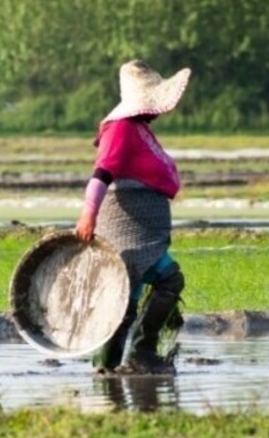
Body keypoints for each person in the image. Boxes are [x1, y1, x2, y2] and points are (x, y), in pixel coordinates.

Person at [74, 59, 191, 375]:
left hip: (142, 229)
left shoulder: (138, 129)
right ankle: (133, 356)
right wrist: (88, 216)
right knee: (161, 283)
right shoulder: (122, 129)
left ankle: (116, 364)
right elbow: (101, 175)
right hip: (127, 229)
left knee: (133, 295)